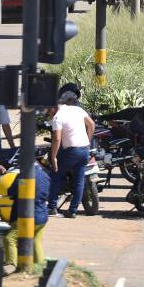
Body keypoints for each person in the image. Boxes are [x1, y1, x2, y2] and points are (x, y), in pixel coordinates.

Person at [47, 84, 95, 218]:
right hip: (84, 150)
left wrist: (54, 157)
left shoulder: (58, 117)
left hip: (71, 151)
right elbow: (91, 125)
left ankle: (52, 207)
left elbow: (57, 139)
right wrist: (88, 141)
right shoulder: (77, 110)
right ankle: (72, 211)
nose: (49, 113)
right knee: (79, 180)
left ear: (53, 107)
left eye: (49, 110)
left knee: (55, 175)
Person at [0, 160, 51, 267]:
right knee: (36, 241)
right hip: (42, 216)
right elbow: (47, 194)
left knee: (10, 239)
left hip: (27, 216)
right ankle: (39, 267)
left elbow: (11, 191)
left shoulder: (23, 176)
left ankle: (12, 265)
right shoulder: (45, 175)